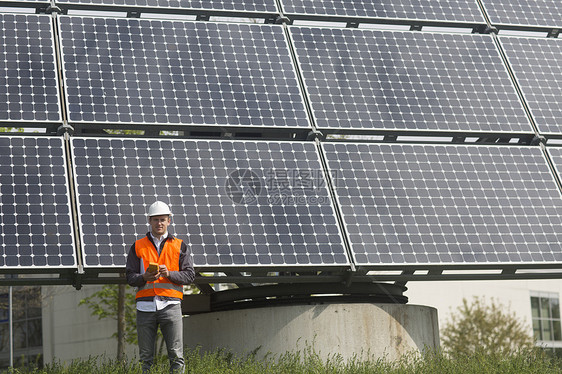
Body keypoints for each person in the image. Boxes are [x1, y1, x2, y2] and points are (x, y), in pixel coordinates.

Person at [126, 201, 195, 373]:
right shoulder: (137, 246)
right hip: (145, 306)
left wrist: (169, 274)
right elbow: (130, 277)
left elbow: (189, 275)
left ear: (169, 221)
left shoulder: (180, 245)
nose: (159, 223)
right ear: (149, 221)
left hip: (171, 305)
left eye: (163, 219)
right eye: (156, 220)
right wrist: (144, 277)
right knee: (145, 358)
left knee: (176, 355)